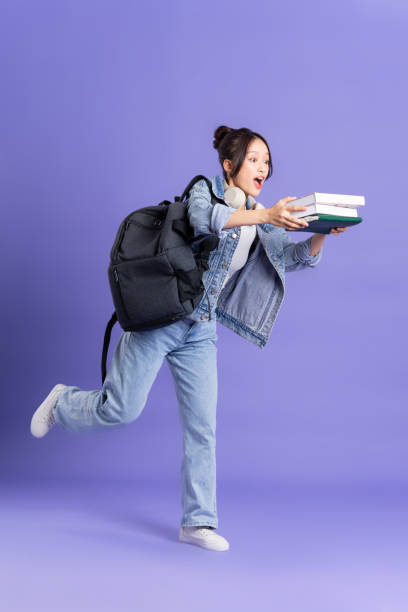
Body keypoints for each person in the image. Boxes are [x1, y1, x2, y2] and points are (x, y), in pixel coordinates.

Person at [30, 125, 348, 552]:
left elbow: (290, 261)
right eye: (254, 159)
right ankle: (63, 402)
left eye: (267, 162)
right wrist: (266, 216)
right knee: (120, 410)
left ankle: (197, 523)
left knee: (202, 427)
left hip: (201, 330)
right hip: (161, 317)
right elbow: (205, 221)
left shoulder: (261, 215)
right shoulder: (205, 190)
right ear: (228, 165)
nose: (263, 168)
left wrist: (322, 231)